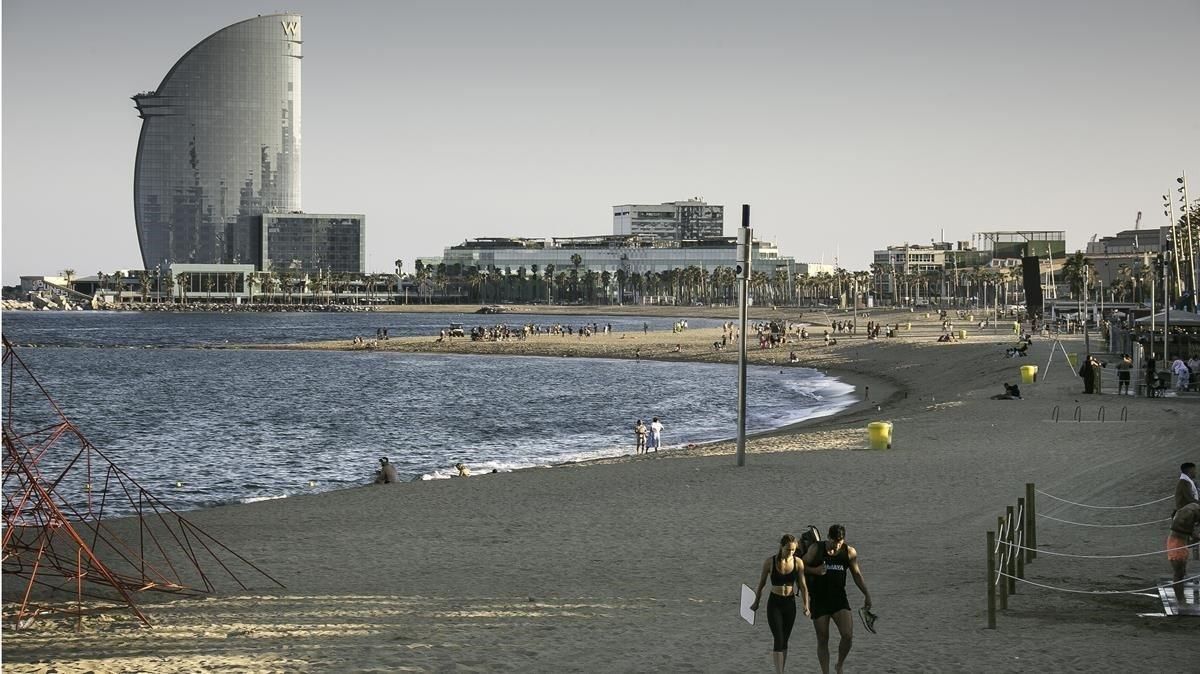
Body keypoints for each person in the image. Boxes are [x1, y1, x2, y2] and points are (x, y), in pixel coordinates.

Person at [803, 524, 872, 674]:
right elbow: (800, 566)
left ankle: (839, 664)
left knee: (847, 635)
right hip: (819, 600)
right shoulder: (817, 549)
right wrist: (815, 570)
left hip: (839, 599)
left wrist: (867, 594)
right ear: (829, 537)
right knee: (823, 640)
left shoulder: (848, 552)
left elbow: (857, 575)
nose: (837, 545)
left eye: (840, 542)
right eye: (835, 541)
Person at [750, 534, 810, 674]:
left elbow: (803, 586)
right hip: (774, 604)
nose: (790, 552)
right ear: (781, 547)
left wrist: (806, 605)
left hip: (789, 603)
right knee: (778, 638)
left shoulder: (798, 562)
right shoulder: (770, 562)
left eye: (793, 550)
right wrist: (756, 603)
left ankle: (781, 669)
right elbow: (761, 585)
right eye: (788, 549)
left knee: (785, 640)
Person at [1167, 502, 1200, 606]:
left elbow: (1174, 516)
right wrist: (1194, 535)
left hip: (1180, 542)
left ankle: (1181, 599)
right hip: (1176, 543)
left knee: (1181, 571)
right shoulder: (1190, 511)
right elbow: (1176, 526)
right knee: (1179, 573)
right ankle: (1180, 601)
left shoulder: (1192, 509)